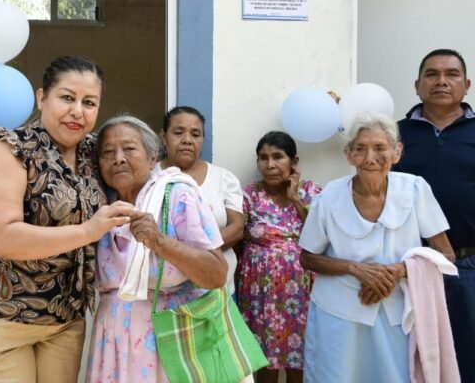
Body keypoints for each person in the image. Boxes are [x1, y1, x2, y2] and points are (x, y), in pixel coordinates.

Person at [0, 56, 132, 383]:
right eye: (67, 98)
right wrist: (88, 231)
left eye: (89, 102)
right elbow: (0, 238)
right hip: (1, 319)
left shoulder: (94, 153)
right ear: (41, 98)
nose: (78, 111)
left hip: (64, 320)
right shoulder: (10, 150)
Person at [300, 113, 455, 382]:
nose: (370, 158)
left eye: (380, 148)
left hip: (397, 311)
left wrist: (397, 271)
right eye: (360, 149)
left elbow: (446, 254)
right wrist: (355, 268)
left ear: (397, 152)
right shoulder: (328, 198)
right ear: (348, 155)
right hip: (339, 313)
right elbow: (308, 258)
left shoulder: (416, 190)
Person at [86, 115, 228, 382]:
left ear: (153, 157)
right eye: (107, 153)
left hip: (170, 342)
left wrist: (159, 241)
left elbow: (216, 274)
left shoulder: (177, 195)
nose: (118, 158)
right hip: (113, 341)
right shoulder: (99, 205)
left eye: (129, 148)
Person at [393, 48, 474, 382]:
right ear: (417, 85)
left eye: (451, 74)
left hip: (469, 266)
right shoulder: (393, 135)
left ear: (466, 84)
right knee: (408, 360)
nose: (441, 81)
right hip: (406, 268)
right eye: (432, 74)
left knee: (467, 357)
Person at [237, 131, 320, 383]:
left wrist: (294, 198)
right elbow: (238, 235)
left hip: (301, 293)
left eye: (277, 157)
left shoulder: (311, 192)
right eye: (263, 158)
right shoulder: (250, 194)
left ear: (294, 162)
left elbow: (321, 235)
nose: (269, 165)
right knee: (264, 363)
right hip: (259, 294)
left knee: (300, 360)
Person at [157, 106, 244, 296]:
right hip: (166, 297)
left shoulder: (223, 178)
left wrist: (195, 257)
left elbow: (237, 227)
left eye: (195, 135)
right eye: (178, 132)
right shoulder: (150, 177)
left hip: (217, 293)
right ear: (164, 136)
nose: (187, 140)